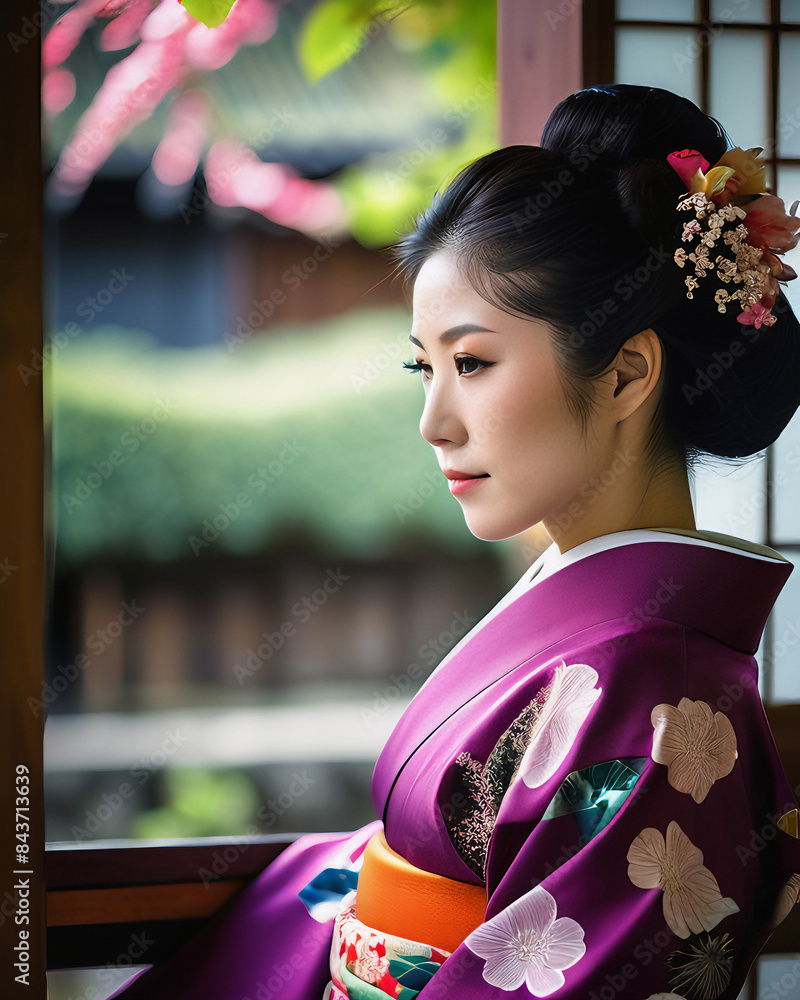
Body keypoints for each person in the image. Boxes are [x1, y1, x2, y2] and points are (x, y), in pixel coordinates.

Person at [111, 84, 800, 1000]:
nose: (433, 421)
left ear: (631, 371)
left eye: (471, 363)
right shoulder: (605, 640)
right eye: (422, 367)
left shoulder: (665, 696)